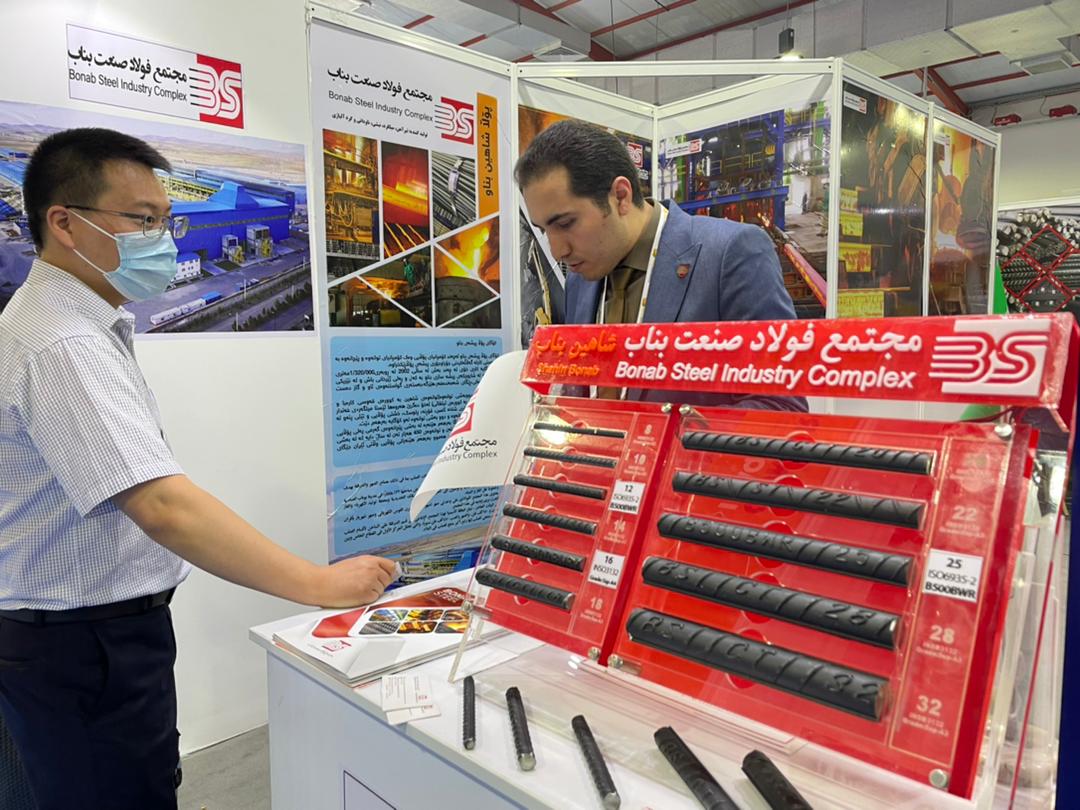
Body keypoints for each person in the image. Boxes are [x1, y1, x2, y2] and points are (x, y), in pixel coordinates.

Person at [0, 128, 397, 810]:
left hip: (67, 638)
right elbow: (163, 506)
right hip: (83, 646)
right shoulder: (61, 343)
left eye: (166, 219)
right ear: (63, 223)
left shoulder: (64, 323)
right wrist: (317, 583)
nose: (166, 240)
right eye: (143, 220)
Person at [516, 119, 807, 411]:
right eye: (544, 230)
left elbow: (781, 406)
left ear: (620, 197)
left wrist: (669, 435)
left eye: (566, 223)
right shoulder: (580, 279)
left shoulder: (730, 253)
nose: (557, 251)